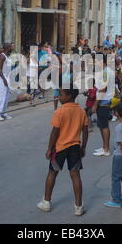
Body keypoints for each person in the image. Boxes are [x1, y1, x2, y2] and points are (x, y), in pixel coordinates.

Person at [37, 88, 88, 216]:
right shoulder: (81, 111)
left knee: (52, 173)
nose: (59, 97)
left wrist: (49, 149)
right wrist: (84, 147)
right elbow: (85, 130)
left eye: (61, 95)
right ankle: (78, 206)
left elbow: (55, 132)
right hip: (75, 147)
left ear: (69, 96)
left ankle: (46, 202)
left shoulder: (60, 111)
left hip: (59, 148)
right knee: (75, 175)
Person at [92, 56, 114, 157]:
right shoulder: (107, 71)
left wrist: (95, 105)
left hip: (103, 101)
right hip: (104, 100)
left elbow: (103, 89)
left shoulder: (105, 72)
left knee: (104, 125)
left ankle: (106, 149)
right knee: (101, 125)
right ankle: (104, 146)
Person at [0, 43, 14, 121]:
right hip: (2, 77)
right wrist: (4, 79)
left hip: (7, 77)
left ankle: (4, 113)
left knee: (6, 96)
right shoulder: (2, 56)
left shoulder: (7, 56)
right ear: (7, 48)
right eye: (10, 47)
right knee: (2, 96)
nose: (12, 48)